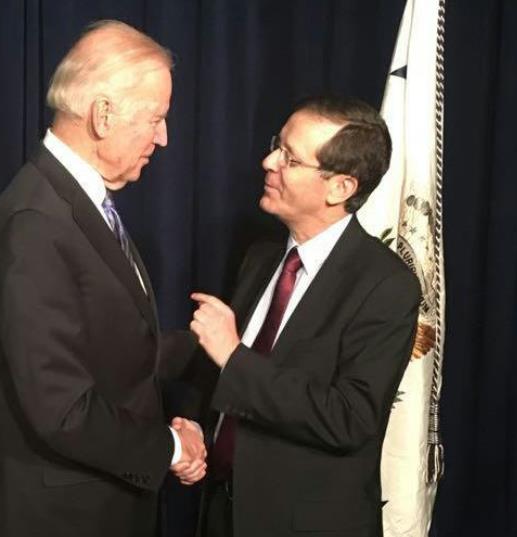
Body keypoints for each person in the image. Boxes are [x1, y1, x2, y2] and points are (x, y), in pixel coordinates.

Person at [0, 20, 205, 537]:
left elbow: (105, 347)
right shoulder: (35, 222)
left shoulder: (74, 203)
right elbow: (61, 409)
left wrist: (209, 350)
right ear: (103, 115)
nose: (163, 137)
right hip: (61, 519)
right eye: (156, 118)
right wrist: (171, 448)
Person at [189, 95, 421, 537]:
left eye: (290, 159)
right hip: (222, 513)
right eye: (278, 145)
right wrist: (195, 424)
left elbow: (349, 418)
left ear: (341, 188)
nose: (268, 161)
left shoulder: (385, 285)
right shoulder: (260, 259)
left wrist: (234, 357)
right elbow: (224, 381)